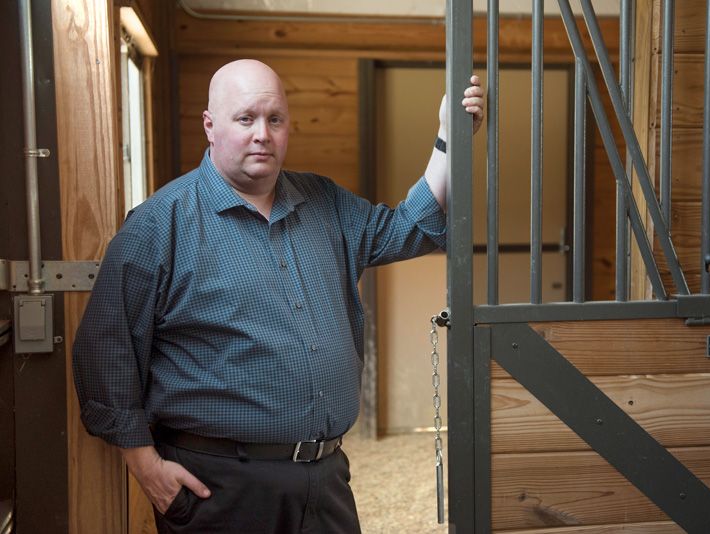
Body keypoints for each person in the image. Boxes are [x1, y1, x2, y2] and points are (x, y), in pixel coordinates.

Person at [72, 58, 483, 534]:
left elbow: (408, 229)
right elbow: (106, 351)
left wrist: (449, 138)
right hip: (220, 488)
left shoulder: (323, 202)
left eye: (274, 119)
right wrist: (146, 468)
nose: (262, 134)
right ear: (210, 125)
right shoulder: (158, 226)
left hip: (325, 477)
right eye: (245, 119)